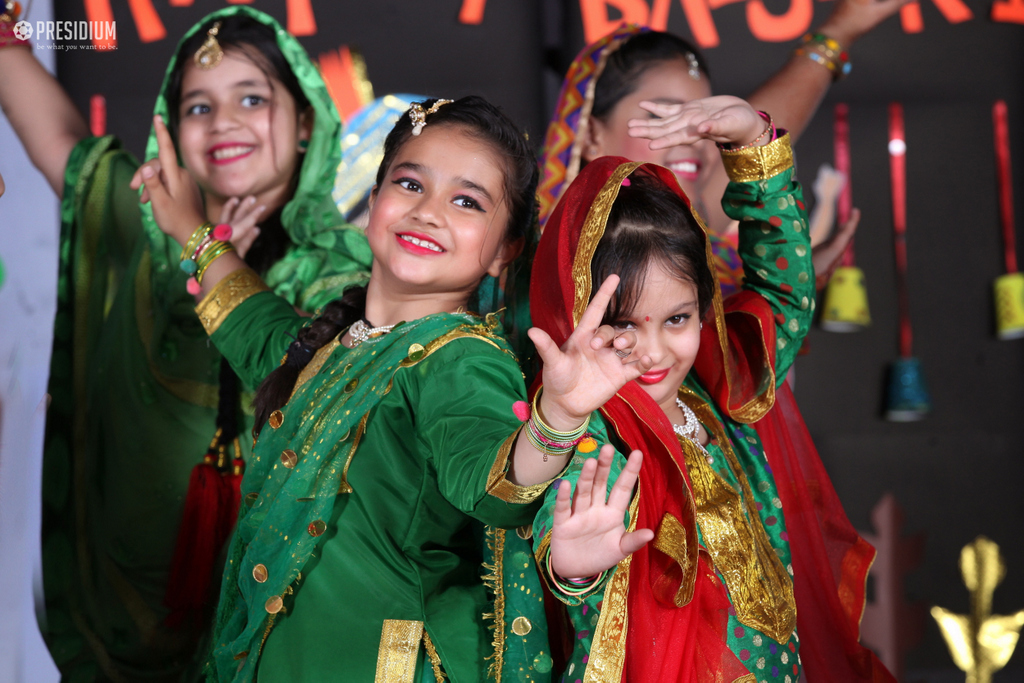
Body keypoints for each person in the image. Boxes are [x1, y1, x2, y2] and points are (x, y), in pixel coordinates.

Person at [137, 94, 665, 682]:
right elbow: (256, 326)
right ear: (373, 201)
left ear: (505, 251)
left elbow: (488, 478)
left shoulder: (459, 358)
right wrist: (189, 229)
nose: (429, 212)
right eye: (411, 185)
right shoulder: (330, 349)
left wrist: (558, 418)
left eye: (467, 201)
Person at [0, 6, 372, 679]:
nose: (224, 121)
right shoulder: (140, 230)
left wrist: (228, 277)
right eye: (198, 107)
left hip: (293, 628)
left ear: (307, 121)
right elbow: (55, 136)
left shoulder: (353, 274)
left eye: (251, 98)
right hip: (141, 618)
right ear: (170, 134)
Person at [523, 97, 892, 681]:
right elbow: (567, 521)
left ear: (705, 310)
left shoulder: (724, 390)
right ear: (576, 317)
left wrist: (754, 145)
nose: (652, 352)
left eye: (677, 319)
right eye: (621, 325)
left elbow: (783, 291)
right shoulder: (587, 432)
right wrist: (573, 571)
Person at [537, 0, 906, 296]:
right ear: (590, 134)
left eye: (702, 120)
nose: (694, 136)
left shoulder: (703, 249)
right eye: (665, 113)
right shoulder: (538, 256)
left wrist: (792, 280)